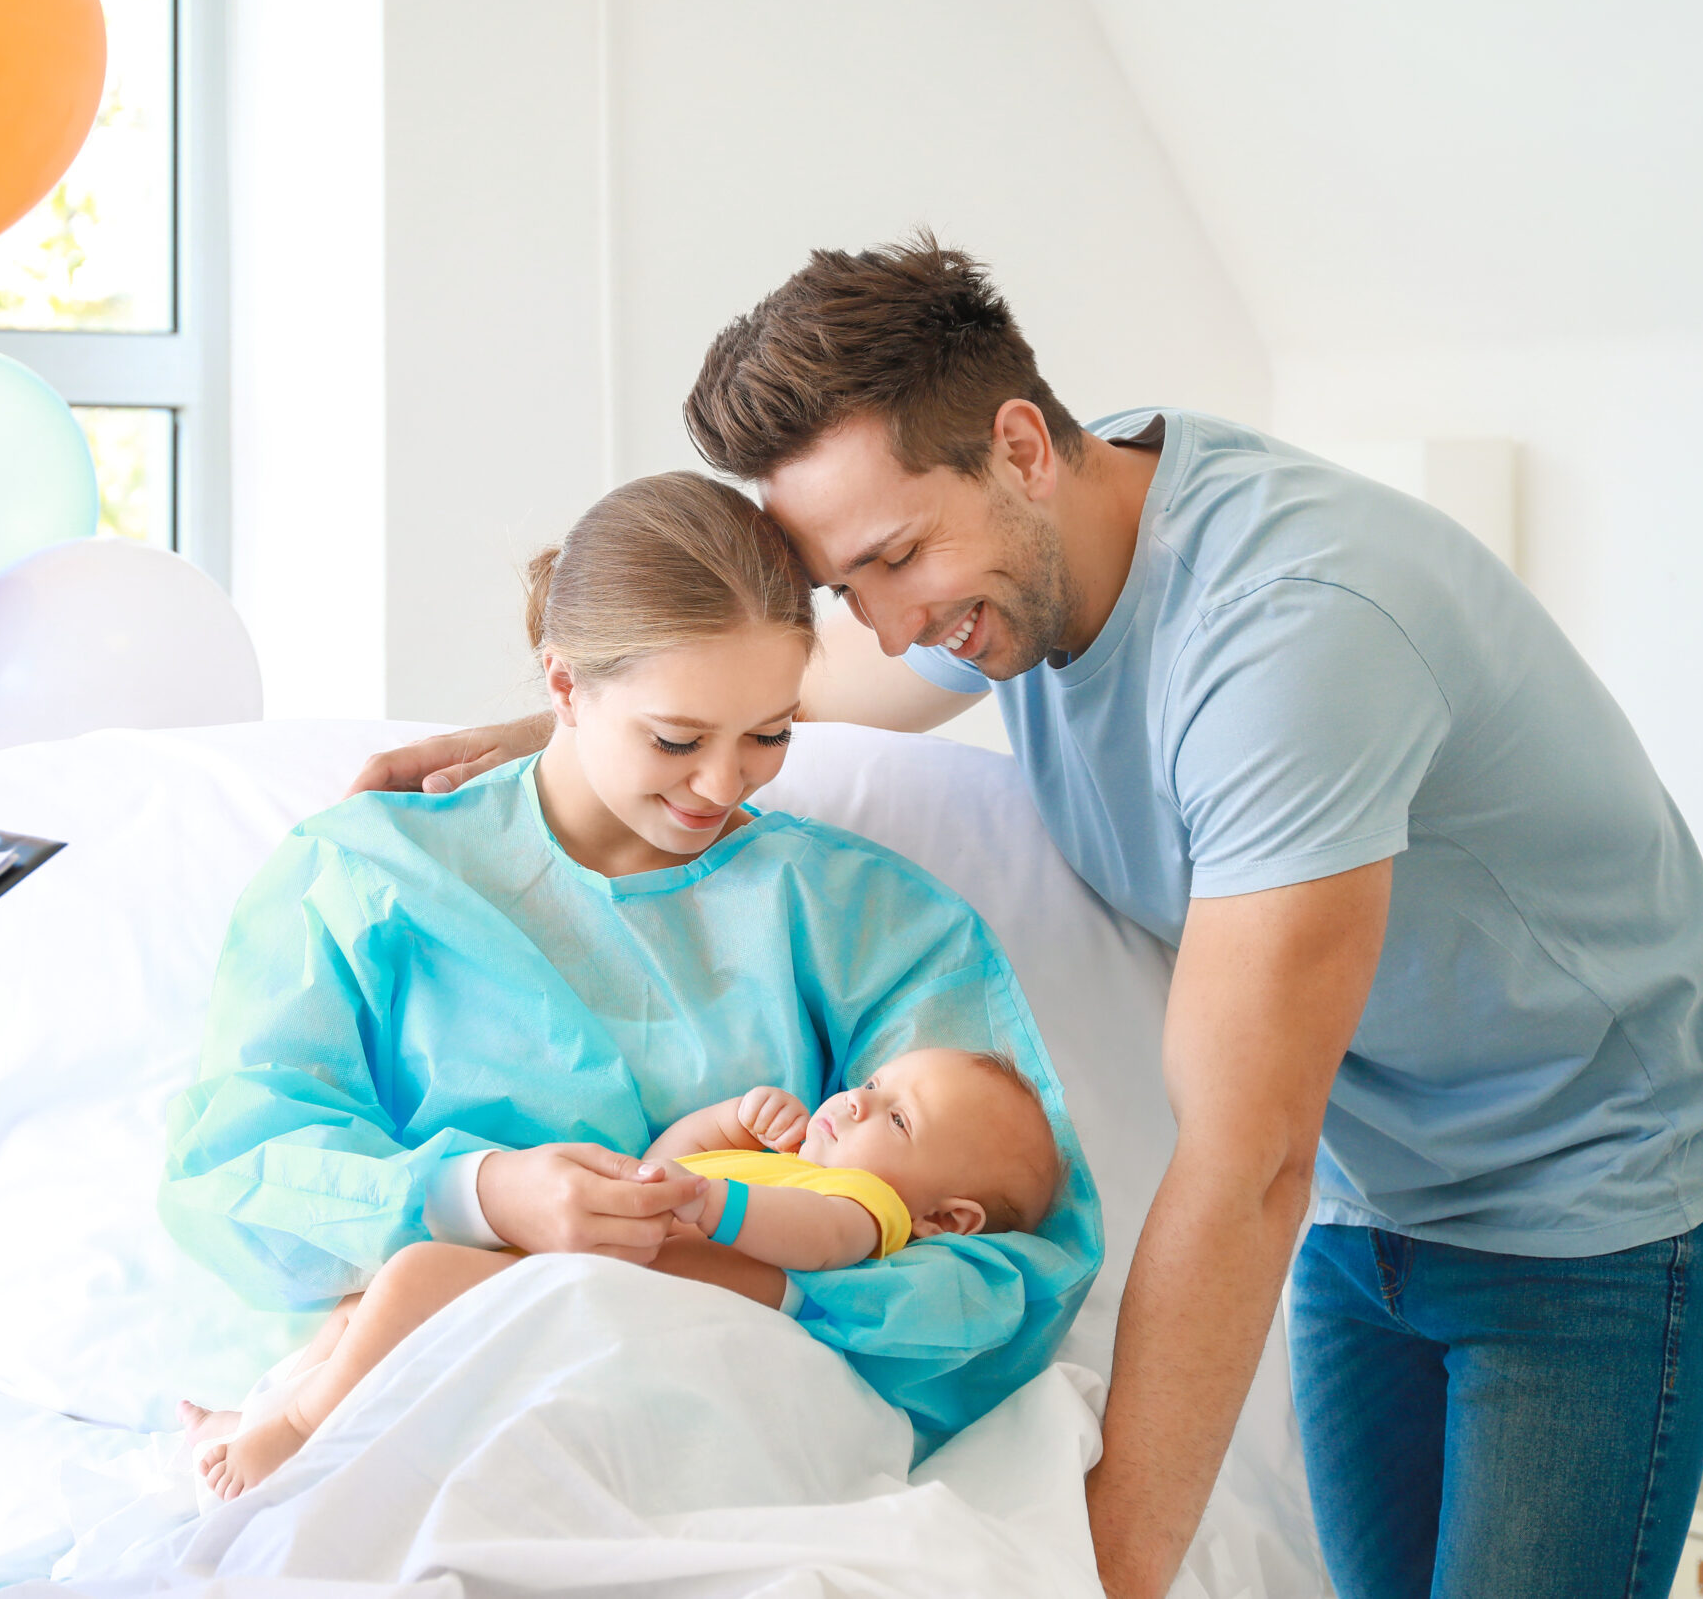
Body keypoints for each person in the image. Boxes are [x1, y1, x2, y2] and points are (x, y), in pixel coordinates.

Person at [353, 237, 1703, 1599]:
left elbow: (1244, 1152)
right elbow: (829, 688)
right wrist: (572, 723)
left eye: (898, 560)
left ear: (1024, 445)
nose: (896, 622)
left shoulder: (1291, 638)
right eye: (852, 584)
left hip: (1599, 1194)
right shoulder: (1026, 558)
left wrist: (1105, 1569)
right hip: (1378, 1177)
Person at [159, 470, 1103, 1469]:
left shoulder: (870, 924)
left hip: (711, 1432)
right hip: (413, 1402)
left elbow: (1006, 1276)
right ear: (562, 685)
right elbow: (235, 1182)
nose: (720, 784)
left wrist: (739, 1277)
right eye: (677, 738)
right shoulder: (365, 876)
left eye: (769, 735)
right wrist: (476, 1193)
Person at [191, 1048, 1067, 1498]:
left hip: (601, 1297)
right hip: (580, 1260)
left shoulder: (871, 1213)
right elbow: (658, 1161)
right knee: (359, 1309)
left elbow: (814, 1237)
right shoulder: (793, 1160)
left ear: (948, 1219)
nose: (857, 1100)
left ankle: (300, 1427)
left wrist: (709, 1198)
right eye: (874, 1080)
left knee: (413, 1276)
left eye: (898, 1118)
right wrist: (720, 1123)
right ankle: (258, 1410)